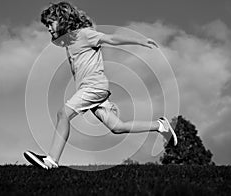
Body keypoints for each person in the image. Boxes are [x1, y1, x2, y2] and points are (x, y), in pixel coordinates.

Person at [24, 1, 177, 169]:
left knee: (63, 114)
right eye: (47, 25)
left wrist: (139, 41)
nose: (48, 28)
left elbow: (110, 38)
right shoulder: (70, 42)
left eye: (51, 23)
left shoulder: (84, 34)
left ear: (63, 20)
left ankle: (51, 160)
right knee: (117, 127)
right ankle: (160, 125)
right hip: (91, 89)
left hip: (94, 88)